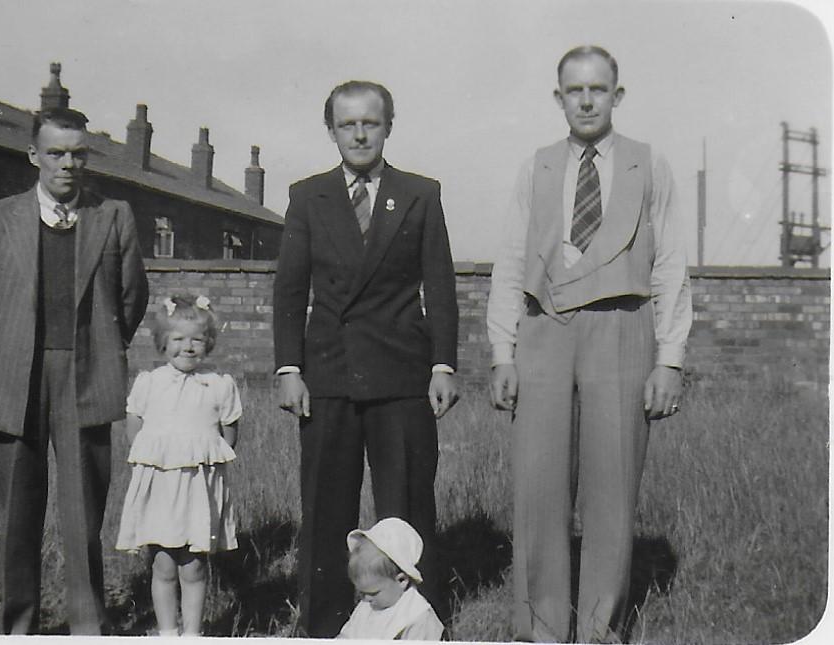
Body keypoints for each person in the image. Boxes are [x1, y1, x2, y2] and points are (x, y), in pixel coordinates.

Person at [486, 45, 691, 643]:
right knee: (540, 484)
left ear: (616, 96)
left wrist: (669, 359)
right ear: (559, 98)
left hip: (623, 329)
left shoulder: (649, 166)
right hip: (544, 332)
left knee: (613, 486)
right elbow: (511, 261)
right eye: (574, 90)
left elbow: (672, 265)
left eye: (598, 89)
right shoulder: (538, 167)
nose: (586, 99)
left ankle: (602, 626)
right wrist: (503, 352)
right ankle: (543, 627)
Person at [273, 80, 459, 637]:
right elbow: (289, 289)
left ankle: (415, 624)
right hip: (328, 375)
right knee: (327, 509)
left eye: (370, 123)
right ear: (331, 130)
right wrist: (289, 369)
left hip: (401, 375)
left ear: (388, 127)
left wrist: (442, 364)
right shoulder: (309, 196)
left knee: (405, 510)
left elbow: (440, 287)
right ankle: (326, 624)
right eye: (347, 124)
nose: (359, 133)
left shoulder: (420, 193)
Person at [0, 106, 149, 635]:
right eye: (57, 153)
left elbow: (131, 296)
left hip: (86, 375)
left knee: (83, 512)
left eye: (78, 154)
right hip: (15, 378)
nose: (68, 164)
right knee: (18, 514)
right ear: (34, 156)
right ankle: (20, 625)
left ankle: (87, 625)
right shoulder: (1, 216)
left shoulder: (114, 215)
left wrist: (106, 347)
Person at [116, 293, 240, 637]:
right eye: (178, 339)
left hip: (198, 490)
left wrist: (206, 471)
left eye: (197, 340)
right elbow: (135, 432)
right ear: (162, 342)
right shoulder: (149, 383)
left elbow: (228, 436)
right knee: (163, 564)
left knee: (194, 566)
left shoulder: (218, 385)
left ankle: (193, 634)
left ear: (209, 344)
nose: (188, 348)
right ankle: (167, 632)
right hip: (161, 488)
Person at [339, 517, 444, 640]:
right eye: (362, 593)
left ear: (401, 580)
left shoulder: (417, 616)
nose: (365, 599)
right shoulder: (367, 606)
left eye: (373, 593)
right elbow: (346, 636)